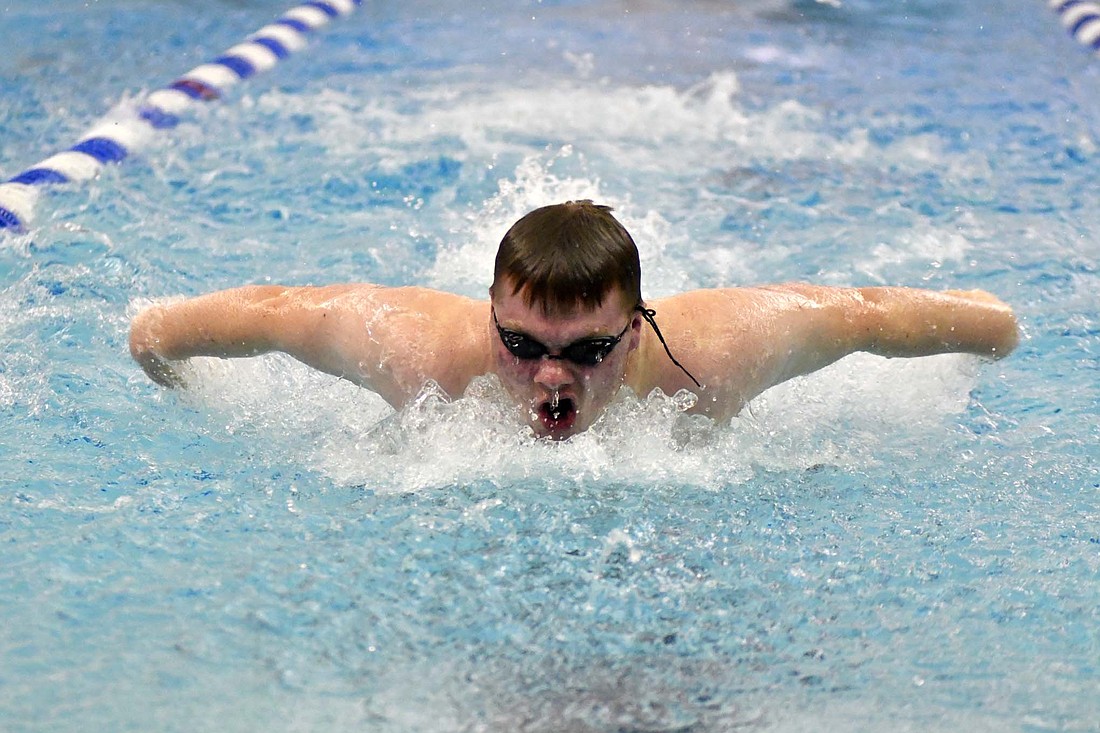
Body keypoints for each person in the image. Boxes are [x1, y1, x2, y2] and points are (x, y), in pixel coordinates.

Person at [129, 200, 1019, 440]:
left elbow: (861, 314)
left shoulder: (708, 359)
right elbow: (276, 312)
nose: (552, 378)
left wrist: (994, 328)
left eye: (588, 350)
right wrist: (163, 358)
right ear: (490, 319)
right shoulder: (420, 354)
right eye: (521, 346)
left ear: (637, 329)